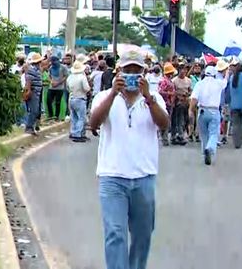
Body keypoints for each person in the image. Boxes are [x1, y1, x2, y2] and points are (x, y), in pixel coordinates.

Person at [89, 50, 169, 268]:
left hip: (144, 177)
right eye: (127, 71)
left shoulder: (154, 99)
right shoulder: (104, 97)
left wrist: (149, 99)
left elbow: (164, 124)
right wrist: (113, 94)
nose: (132, 75)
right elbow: (94, 123)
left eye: (137, 71)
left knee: (143, 235)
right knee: (115, 233)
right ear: (118, 72)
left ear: (144, 73)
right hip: (112, 177)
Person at [66, 60, 91, 142]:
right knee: (81, 117)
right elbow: (86, 88)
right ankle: (78, 134)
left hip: (72, 98)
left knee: (74, 117)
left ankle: (73, 132)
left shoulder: (70, 77)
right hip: (80, 98)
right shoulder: (82, 77)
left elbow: (67, 88)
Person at [23, 53, 45, 135]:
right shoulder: (32, 70)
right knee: (34, 110)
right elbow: (29, 81)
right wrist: (28, 91)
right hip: (33, 92)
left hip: (36, 92)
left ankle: (31, 127)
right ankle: (29, 127)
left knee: (36, 110)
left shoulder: (37, 70)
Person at [171, 65, 192, 145]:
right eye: (181, 69)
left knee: (185, 119)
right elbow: (173, 91)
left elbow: (190, 90)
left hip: (186, 102)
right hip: (177, 102)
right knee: (177, 119)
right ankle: (176, 135)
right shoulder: (174, 81)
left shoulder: (188, 81)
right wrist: (179, 96)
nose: (183, 71)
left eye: (185, 70)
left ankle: (182, 134)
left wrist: (187, 95)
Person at [46, 56, 68, 120]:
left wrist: (58, 83)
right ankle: (51, 115)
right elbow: (49, 75)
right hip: (51, 87)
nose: (53, 63)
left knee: (58, 102)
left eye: (54, 61)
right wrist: (51, 81)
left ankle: (56, 116)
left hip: (60, 87)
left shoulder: (63, 67)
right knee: (48, 101)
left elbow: (65, 76)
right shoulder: (51, 68)